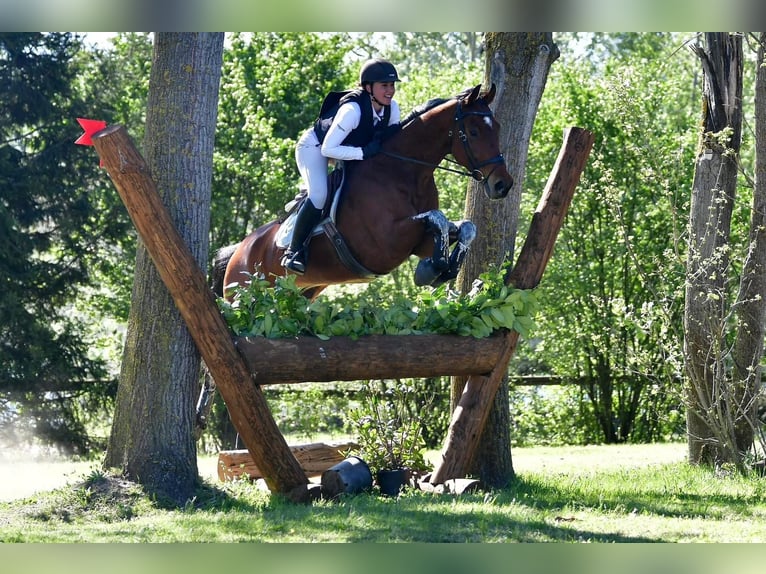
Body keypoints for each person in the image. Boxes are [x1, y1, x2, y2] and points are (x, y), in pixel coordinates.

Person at [281, 58, 402, 275]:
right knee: (319, 195)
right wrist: (363, 153)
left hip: (346, 150)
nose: (390, 91)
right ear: (368, 87)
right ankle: (294, 251)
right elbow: (328, 149)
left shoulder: (392, 109)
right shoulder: (353, 110)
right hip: (315, 147)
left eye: (392, 85)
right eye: (384, 85)